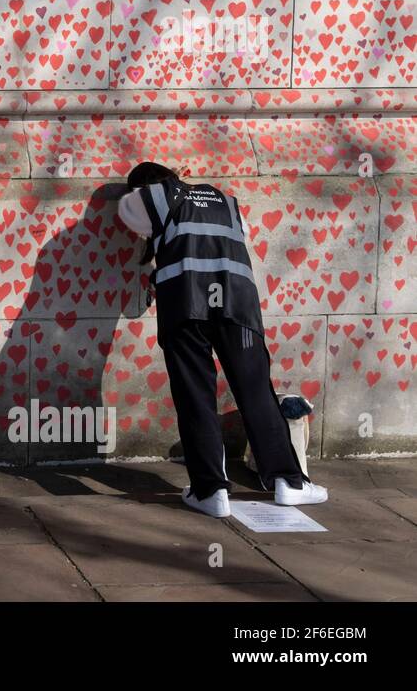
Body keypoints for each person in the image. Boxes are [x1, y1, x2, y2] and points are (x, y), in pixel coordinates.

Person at [116, 162, 328, 518]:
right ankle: (288, 482)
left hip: (184, 305)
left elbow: (130, 212)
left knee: (195, 395)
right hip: (237, 305)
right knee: (255, 391)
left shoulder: (153, 196)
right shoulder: (224, 199)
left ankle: (210, 490)